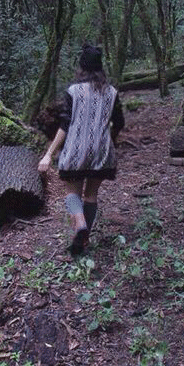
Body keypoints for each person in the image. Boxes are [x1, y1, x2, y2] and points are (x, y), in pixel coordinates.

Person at [38, 44, 124, 256]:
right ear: (100, 66)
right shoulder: (112, 92)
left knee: (72, 193)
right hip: (102, 152)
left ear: (82, 66)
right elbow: (119, 122)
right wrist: (110, 138)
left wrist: (48, 154)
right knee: (91, 195)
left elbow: (65, 125)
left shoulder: (73, 91)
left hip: (76, 151)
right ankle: (84, 239)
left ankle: (80, 226)